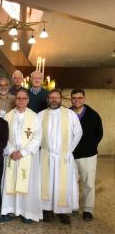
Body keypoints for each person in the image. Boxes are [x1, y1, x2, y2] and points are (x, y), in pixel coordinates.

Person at [38, 89, 83, 224]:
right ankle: (47, 210)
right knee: (47, 184)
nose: (54, 100)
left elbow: (78, 133)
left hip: (64, 157)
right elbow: (36, 135)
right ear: (48, 99)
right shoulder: (41, 115)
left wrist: (69, 150)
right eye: (51, 97)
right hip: (46, 155)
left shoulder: (70, 115)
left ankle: (63, 212)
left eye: (56, 97)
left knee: (63, 186)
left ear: (61, 99)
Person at [1, 89, 42, 223]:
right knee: (10, 182)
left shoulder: (34, 117)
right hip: (11, 155)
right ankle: (10, 210)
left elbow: (37, 137)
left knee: (27, 185)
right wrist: (11, 151)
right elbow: (3, 136)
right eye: (19, 98)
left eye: (24, 98)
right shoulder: (8, 116)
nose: (21, 101)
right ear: (15, 100)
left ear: (28, 100)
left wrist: (23, 152)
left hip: (27, 157)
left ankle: (26, 212)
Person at [70, 89, 103, 221]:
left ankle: (88, 210)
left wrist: (90, 146)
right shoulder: (67, 113)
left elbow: (99, 133)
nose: (77, 100)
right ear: (71, 99)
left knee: (88, 183)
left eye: (79, 98)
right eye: (74, 98)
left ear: (84, 98)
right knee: (72, 183)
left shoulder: (93, 115)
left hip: (88, 155)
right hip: (71, 155)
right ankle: (73, 207)